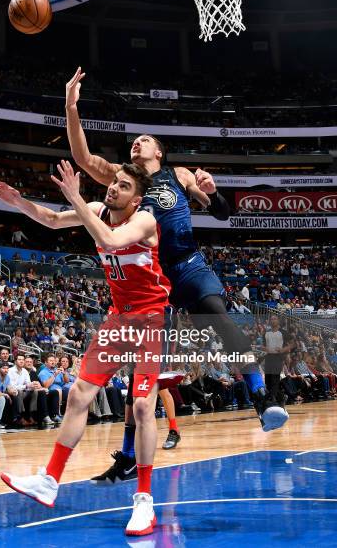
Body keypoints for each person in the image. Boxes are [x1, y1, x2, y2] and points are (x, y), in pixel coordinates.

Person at [65, 67, 289, 483]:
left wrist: (215, 189)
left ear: (159, 154)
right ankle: (129, 456)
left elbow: (222, 212)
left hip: (188, 266)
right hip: (153, 280)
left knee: (220, 317)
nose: (136, 143)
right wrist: (71, 106)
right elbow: (82, 158)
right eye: (134, 141)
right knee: (140, 377)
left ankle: (259, 395)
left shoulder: (179, 175)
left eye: (144, 140)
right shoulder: (123, 178)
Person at [0, 161, 180, 536]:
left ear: (137, 198)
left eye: (123, 186)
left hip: (152, 319)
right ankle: (50, 480)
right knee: (79, 395)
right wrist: (19, 202)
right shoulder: (95, 210)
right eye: (114, 182)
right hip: (118, 319)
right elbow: (50, 219)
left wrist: (77, 198)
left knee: (143, 405)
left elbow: (112, 241)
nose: (113, 188)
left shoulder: (144, 221)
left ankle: (144, 501)